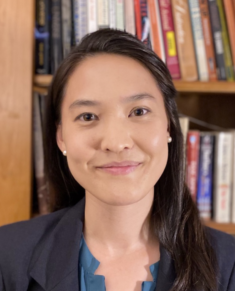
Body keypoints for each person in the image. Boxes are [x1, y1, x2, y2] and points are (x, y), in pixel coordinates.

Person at [0, 29, 235, 291]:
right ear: (61, 137)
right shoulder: (5, 256)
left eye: (138, 111)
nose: (115, 142)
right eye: (88, 117)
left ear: (168, 126)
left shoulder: (230, 264)